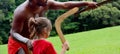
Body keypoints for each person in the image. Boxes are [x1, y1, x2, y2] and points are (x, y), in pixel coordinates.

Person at [8, 0, 97, 54]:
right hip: (18, 43)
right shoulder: (21, 12)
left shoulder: (46, 3)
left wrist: (86, 3)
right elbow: (14, 32)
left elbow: (65, 5)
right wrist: (26, 41)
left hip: (33, 42)